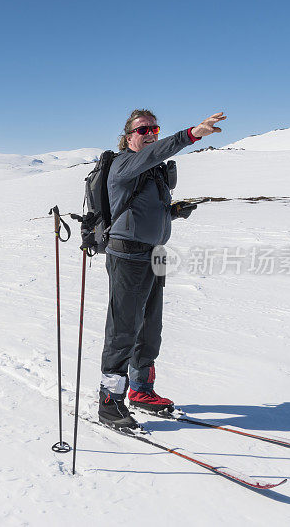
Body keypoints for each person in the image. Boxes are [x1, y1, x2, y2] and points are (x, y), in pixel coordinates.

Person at [98, 109, 226, 430]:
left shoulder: (153, 171)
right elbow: (157, 151)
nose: (151, 133)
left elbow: (142, 207)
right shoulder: (124, 163)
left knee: (149, 328)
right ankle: (110, 402)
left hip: (154, 255)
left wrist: (172, 211)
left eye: (155, 128)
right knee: (124, 329)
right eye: (143, 130)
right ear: (129, 137)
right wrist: (191, 134)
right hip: (127, 256)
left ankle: (141, 390)